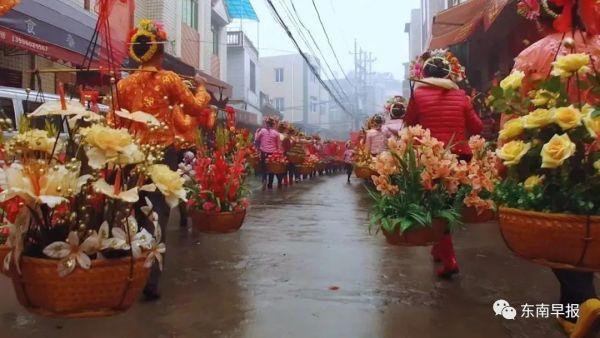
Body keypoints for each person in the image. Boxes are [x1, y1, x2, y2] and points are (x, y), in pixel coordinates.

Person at [115, 19, 211, 300]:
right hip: (161, 154)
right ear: (158, 50)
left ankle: (130, 273)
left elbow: (116, 121)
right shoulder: (169, 79)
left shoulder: (123, 85)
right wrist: (202, 88)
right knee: (157, 212)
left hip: (132, 154)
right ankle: (151, 281)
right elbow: (194, 107)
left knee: (133, 211)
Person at [404, 51, 483, 279]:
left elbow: (408, 123)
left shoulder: (418, 95)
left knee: (437, 206)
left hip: (432, 157)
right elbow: (477, 127)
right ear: (450, 74)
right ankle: (440, 248)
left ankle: (449, 260)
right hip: (459, 157)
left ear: (424, 74)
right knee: (446, 205)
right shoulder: (461, 96)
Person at [255, 117, 282, 189]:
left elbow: (257, 139)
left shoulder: (262, 131)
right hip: (273, 153)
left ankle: (264, 180)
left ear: (266, 123)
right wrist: (279, 154)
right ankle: (270, 184)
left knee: (264, 168)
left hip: (263, 152)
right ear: (273, 124)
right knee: (272, 168)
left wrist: (256, 133)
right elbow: (279, 145)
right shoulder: (276, 133)